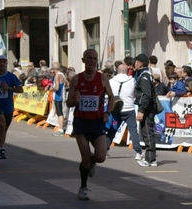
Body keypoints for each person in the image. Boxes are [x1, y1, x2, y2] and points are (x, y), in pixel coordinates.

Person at [66, 49, 114, 200]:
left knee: (100, 157)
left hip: (97, 122)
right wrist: (75, 100)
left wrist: (107, 113)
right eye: (89, 59)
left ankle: (93, 162)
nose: (92, 61)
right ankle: (83, 187)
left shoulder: (102, 78)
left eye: (94, 58)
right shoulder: (76, 79)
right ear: (83, 60)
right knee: (85, 158)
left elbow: (112, 97)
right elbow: (68, 103)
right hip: (81, 123)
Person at [108, 63, 144, 160]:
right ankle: (138, 152)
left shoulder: (111, 81)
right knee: (133, 131)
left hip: (116, 108)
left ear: (117, 70)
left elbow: (108, 95)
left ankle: (104, 149)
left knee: (113, 129)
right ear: (127, 71)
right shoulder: (132, 80)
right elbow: (135, 94)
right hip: (128, 108)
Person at [133, 53, 157, 167]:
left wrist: (141, 110)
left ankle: (150, 159)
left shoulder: (144, 76)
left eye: (136, 62)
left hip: (147, 109)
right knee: (147, 132)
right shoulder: (145, 74)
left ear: (140, 63)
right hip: (147, 108)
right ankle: (150, 158)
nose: (134, 64)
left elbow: (146, 95)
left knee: (147, 133)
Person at [51, 62, 66, 136]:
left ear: (53, 69)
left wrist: (51, 89)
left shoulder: (57, 76)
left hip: (58, 96)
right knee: (59, 112)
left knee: (59, 113)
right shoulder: (62, 74)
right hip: (60, 95)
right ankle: (60, 128)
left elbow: (57, 87)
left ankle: (60, 129)